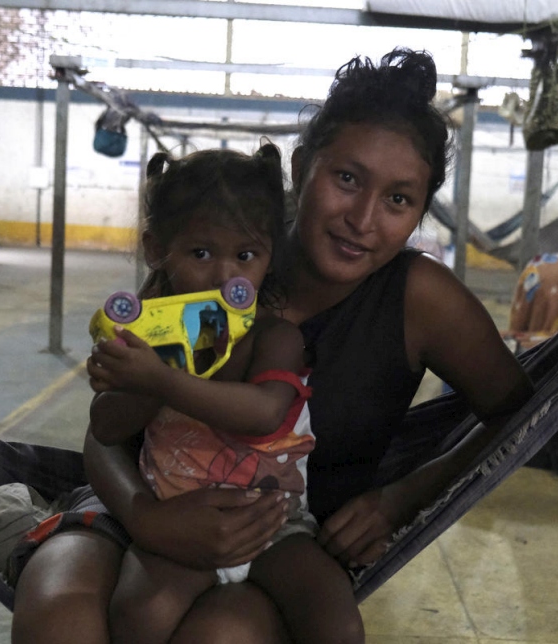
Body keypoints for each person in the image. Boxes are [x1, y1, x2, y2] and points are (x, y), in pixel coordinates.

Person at [12, 48, 533, 644]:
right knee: (59, 612)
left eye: (398, 199)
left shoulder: (419, 299)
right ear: (302, 165)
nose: (363, 218)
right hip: (145, 498)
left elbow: (519, 415)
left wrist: (399, 500)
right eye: (346, 179)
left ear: (419, 211)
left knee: (221, 637)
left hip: (275, 539)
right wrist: (146, 518)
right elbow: (107, 429)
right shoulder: (218, 258)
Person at [71, 143, 362, 643]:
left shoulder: (276, 337)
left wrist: (164, 382)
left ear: (271, 258)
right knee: (140, 613)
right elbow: (106, 426)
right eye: (201, 252)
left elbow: (265, 413)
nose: (226, 275)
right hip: (178, 521)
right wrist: (139, 377)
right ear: (157, 249)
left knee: (336, 622)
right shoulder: (147, 340)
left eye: (245, 255)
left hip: (275, 526)